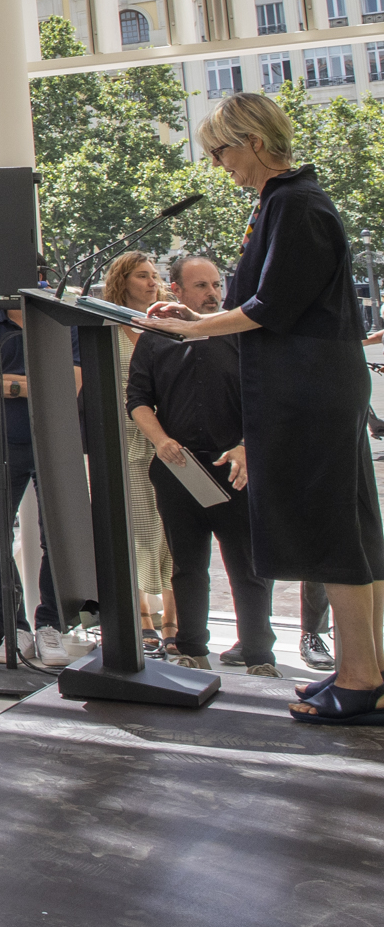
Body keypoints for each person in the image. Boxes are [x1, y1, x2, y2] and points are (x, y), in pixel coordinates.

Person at [146, 92, 384, 724]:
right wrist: (201, 317)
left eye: (220, 152)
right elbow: (273, 300)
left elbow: (271, 307)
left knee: (335, 532)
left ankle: (362, 678)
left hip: (310, 388)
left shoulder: (294, 204)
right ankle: (366, 671)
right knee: (354, 528)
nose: (219, 165)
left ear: (253, 141)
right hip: (317, 383)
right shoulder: (285, 201)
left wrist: (196, 328)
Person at [129, 255, 272, 675]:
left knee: (248, 569)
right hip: (179, 469)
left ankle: (260, 656)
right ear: (176, 290)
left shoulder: (240, 333)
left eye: (216, 285)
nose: (213, 294)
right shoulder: (155, 338)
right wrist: (161, 440)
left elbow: (265, 396)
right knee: (187, 566)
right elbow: (137, 399)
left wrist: (246, 445)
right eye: (201, 286)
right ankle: (191, 650)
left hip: (235, 469)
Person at [0, 301, 72, 665]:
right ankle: (15, 629)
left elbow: (69, 385)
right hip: (3, 443)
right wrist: (38, 384)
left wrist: (8, 383)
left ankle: (51, 626)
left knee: (56, 538)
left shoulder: (59, 321)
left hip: (55, 442)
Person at [101, 252, 177, 652]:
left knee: (174, 528)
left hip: (169, 434)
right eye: (142, 276)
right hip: (125, 436)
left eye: (154, 276)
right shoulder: (105, 327)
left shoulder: (165, 325)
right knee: (136, 527)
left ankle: (175, 621)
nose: (152, 283)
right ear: (123, 281)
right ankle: (142, 616)